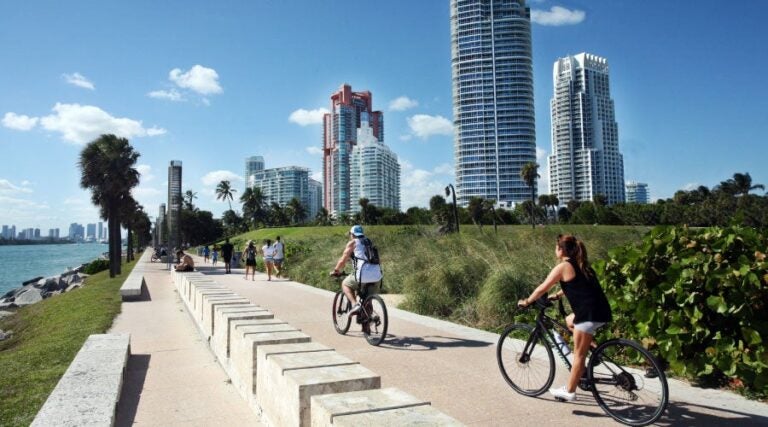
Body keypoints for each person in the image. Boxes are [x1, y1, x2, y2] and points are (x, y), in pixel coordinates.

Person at [517, 234, 612, 402]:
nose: (555, 250)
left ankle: (569, 391)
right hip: (601, 311)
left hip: (588, 315)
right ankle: (594, 349)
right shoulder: (582, 264)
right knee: (569, 320)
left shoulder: (563, 267)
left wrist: (527, 301)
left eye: (556, 247)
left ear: (561, 250)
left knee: (578, 356)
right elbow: (578, 284)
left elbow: (542, 288)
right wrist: (559, 294)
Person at [330, 225, 382, 314]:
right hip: (377, 276)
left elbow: (343, 260)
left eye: (350, 234)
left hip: (363, 275)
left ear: (352, 234)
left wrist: (336, 270)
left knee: (345, 284)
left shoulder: (353, 243)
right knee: (367, 300)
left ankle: (355, 305)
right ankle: (370, 318)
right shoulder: (369, 242)